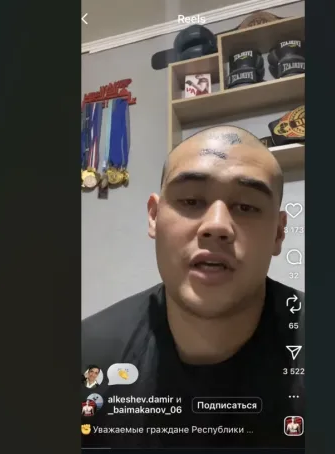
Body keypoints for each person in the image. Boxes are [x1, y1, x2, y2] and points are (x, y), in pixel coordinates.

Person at [81, 125, 305, 448]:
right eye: (190, 200)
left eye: (246, 206)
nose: (216, 225)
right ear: (154, 217)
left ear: (279, 234)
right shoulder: (87, 355)